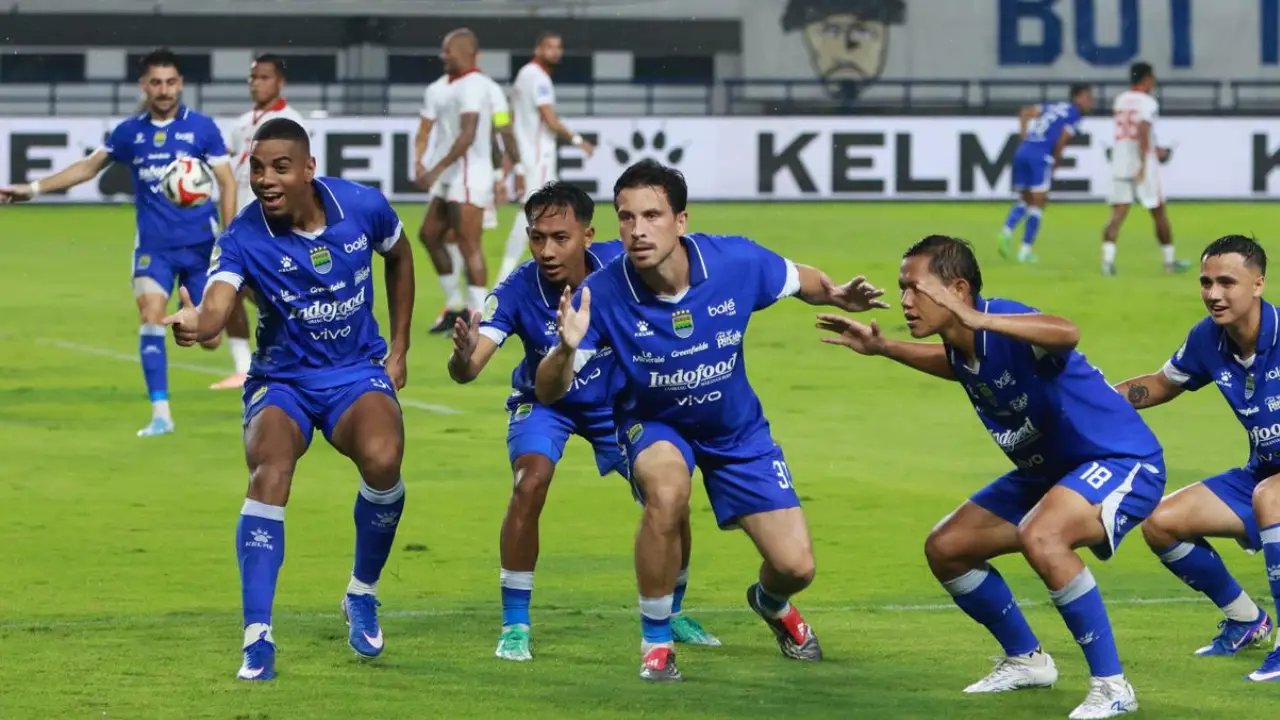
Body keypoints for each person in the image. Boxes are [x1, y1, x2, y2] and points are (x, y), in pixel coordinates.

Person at [535, 160, 889, 682]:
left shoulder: (734, 261)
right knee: (668, 491)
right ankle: (656, 641)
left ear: (681, 220)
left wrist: (834, 293)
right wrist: (565, 349)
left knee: (796, 567)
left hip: (736, 430)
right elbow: (549, 390)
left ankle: (771, 603)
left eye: (651, 215)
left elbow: (796, 278)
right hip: (654, 424)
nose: (637, 230)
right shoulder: (601, 293)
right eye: (626, 217)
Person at [816, 235, 1165, 719]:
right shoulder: (962, 344)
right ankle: (1027, 659)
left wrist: (981, 318)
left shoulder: (1002, 321)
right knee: (947, 548)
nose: (905, 301)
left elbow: (1067, 331)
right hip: (1051, 471)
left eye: (915, 288)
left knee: (1042, 536)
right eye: (902, 289)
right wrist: (884, 348)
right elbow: (960, 366)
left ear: (958, 290)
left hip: (1122, 460)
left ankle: (1113, 686)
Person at [160, 118, 416, 680]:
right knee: (269, 472)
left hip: (354, 372)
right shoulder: (242, 237)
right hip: (283, 381)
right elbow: (216, 309)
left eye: (279, 168)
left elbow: (399, 255)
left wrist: (398, 347)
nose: (265, 180)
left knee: (383, 460)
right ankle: (258, 637)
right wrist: (196, 322)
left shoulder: (362, 207)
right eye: (256, 168)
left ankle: (362, 591)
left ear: (308, 169)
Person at [448, 181, 720, 661]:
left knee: (670, 494)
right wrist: (463, 355)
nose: (547, 250)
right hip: (546, 402)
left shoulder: (624, 266)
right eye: (537, 238)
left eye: (560, 238)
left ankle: (671, 611)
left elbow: (684, 274)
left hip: (616, 406)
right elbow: (469, 369)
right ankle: (515, 624)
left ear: (589, 235)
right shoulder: (515, 290)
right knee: (529, 481)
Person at [0, 48, 237, 437]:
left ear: (180, 84)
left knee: (208, 339)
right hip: (154, 250)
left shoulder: (203, 129)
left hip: (201, 250)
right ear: (144, 85)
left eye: (171, 82)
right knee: (151, 317)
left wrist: (229, 241)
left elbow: (227, 183)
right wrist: (33, 188)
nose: (164, 90)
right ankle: (161, 414)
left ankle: (200, 319)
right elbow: (88, 167)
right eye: (156, 82)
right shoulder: (130, 133)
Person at [1113, 235, 1280, 681]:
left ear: (1258, 284)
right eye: (1206, 282)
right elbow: (1162, 384)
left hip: (1272, 489)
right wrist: (1091, 401)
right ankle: (1248, 620)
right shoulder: (1209, 339)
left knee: (1271, 497)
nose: (1213, 294)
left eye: (1227, 282)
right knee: (1162, 522)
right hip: (1263, 475)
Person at [215, 53, 307, 391]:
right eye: (253, 77)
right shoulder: (242, 123)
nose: (256, 83)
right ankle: (243, 367)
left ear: (279, 81)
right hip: (244, 224)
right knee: (233, 289)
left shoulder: (290, 122)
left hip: (275, 224)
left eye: (264, 77)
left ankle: (305, 345)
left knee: (275, 295)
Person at [418, 29, 513, 331]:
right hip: (449, 173)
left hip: (472, 173)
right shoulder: (437, 88)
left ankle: (478, 316)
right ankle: (455, 307)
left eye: (449, 51)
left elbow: (493, 132)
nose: (443, 55)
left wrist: (505, 172)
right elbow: (424, 130)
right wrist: (420, 162)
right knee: (430, 234)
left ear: (467, 53)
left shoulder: (481, 87)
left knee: (468, 243)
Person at [496, 31, 597, 284]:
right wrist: (578, 141)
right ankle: (503, 282)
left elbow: (514, 121)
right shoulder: (538, 78)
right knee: (533, 216)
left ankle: (528, 277)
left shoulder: (523, 75)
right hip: (538, 160)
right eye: (550, 47)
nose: (556, 52)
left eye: (558, 47)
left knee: (536, 216)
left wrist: (507, 167)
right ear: (538, 48)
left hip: (528, 158)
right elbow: (550, 120)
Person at [1102, 61, 1189, 276]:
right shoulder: (1148, 102)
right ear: (1147, 79)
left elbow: (1130, 133)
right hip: (1140, 163)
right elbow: (1142, 129)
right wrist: (1143, 162)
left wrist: (1155, 149)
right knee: (1158, 210)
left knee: (1118, 213)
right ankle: (1169, 263)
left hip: (1120, 159)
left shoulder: (1120, 100)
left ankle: (1107, 262)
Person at [998, 84, 1093, 264]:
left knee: (1026, 199)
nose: (1091, 102)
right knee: (1039, 203)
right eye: (1088, 97)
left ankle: (1006, 231)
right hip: (1040, 156)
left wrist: (1024, 138)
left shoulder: (1054, 107)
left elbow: (1025, 113)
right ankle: (1025, 251)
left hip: (1023, 152)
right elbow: (1063, 139)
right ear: (1078, 97)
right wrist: (1056, 161)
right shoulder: (1074, 114)